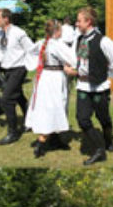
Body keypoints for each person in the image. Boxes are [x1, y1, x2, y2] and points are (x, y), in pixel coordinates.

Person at [64, 6, 113, 165]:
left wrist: (106, 76)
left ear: (88, 21)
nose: (76, 24)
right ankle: (99, 150)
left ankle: (108, 140)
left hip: (99, 87)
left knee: (103, 118)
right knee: (82, 120)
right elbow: (73, 59)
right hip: (83, 87)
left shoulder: (104, 41)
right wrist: (71, 68)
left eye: (79, 21)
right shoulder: (78, 40)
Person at [25, 19, 77, 158]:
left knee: (50, 107)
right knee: (55, 106)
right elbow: (73, 59)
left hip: (44, 77)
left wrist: (36, 64)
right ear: (58, 31)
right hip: (54, 77)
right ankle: (42, 142)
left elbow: (30, 53)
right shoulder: (57, 44)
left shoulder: (43, 42)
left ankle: (55, 139)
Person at [0, 8, 34, 146]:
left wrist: (29, 65)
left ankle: (13, 132)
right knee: (18, 96)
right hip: (7, 69)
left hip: (19, 68)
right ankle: (31, 121)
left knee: (6, 99)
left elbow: (31, 49)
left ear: (6, 19)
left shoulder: (18, 33)